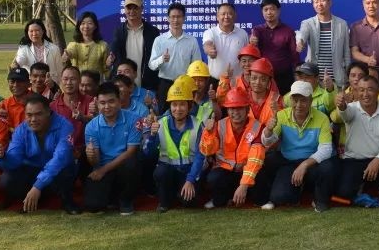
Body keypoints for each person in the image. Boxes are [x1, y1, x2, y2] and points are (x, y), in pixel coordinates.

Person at [0, 94, 80, 214]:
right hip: (32, 171)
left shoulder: (65, 126)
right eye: (29, 115)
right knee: (6, 180)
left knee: (65, 168)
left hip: (57, 171)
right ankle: (31, 200)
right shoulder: (20, 130)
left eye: (38, 114)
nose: (33, 119)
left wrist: (38, 186)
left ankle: (66, 200)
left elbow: (60, 158)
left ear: (48, 112)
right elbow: (14, 160)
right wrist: (2, 156)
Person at [260, 80, 335, 211]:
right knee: (279, 196)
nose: (299, 105)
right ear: (290, 100)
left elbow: (326, 149)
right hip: (288, 162)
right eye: (295, 100)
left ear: (311, 101)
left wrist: (304, 165)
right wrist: (268, 131)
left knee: (328, 166)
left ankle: (320, 199)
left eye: (303, 100)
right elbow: (267, 142)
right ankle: (291, 193)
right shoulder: (281, 115)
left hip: (312, 163)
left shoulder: (322, 118)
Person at [333, 74, 379, 208]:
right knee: (344, 192)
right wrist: (342, 106)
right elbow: (345, 114)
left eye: (370, 89)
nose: (365, 94)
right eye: (361, 90)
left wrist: (378, 160)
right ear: (356, 92)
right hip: (354, 160)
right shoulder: (352, 108)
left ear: (378, 92)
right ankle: (360, 187)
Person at [145, 75, 205, 212]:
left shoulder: (198, 125)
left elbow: (200, 156)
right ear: (170, 106)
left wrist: (190, 180)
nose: (178, 109)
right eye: (174, 104)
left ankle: (180, 193)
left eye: (182, 104)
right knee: (160, 173)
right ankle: (165, 200)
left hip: (188, 171)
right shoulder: (160, 124)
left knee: (189, 203)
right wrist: (152, 136)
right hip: (167, 171)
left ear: (189, 106)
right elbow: (148, 154)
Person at [199, 87, 266, 208]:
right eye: (232, 108)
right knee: (213, 178)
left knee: (260, 175)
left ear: (247, 109)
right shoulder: (219, 125)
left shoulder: (257, 127)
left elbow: (255, 159)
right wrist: (208, 133)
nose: (235, 112)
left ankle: (258, 200)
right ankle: (222, 199)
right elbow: (207, 151)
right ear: (227, 110)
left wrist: (244, 185)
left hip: (247, 170)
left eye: (240, 108)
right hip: (226, 170)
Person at [82, 82, 143, 215]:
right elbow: (95, 162)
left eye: (111, 101)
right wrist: (91, 156)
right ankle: (112, 198)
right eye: (102, 103)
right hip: (103, 167)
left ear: (119, 101)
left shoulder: (134, 119)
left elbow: (131, 151)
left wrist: (103, 170)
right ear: (97, 104)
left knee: (132, 163)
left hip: (123, 166)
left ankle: (126, 200)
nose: (107, 106)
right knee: (93, 205)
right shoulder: (91, 127)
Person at [296, 0, 351, 89]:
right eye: (316, 2)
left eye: (322, 1)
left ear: (330, 2)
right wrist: (300, 42)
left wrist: (348, 76)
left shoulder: (342, 24)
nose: (319, 4)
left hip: (337, 79)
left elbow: (346, 52)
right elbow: (302, 35)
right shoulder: (307, 23)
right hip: (314, 80)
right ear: (313, 5)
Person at [149, 1, 202, 102]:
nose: (176, 20)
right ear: (168, 18)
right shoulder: (159, 40)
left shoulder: (192, 40)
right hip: (165, 84)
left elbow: (196, 64)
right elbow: (151, 65)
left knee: (185, 111)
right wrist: (161, 59)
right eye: (173, 17)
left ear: (184, 18)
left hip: (185, 84)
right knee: (163, 112)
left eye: (179, 17)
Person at [109, 0, 161, 94]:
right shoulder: (118, 31)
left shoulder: (153, 32)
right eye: (129, 8)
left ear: (142, 9)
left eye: (135, 8)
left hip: (147, 84)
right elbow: (114, 57)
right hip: (123, 85)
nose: (132, 11)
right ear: (124, 10)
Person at [250, 0, 299, 95]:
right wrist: (251, 43)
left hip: (284, 77)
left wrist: (298, 75)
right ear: (262, 12)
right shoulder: (257, 30)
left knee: (283, 101)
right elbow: (253, 50)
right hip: (263, 76)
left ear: (278, 10)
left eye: (272, 9)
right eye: (265, 10)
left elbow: (294, 55)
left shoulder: (288, 31)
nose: (269, 12)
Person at [202, 2, 249, 84]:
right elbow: (207, 44)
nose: (226, 17)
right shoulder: (210, 32)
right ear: (217, 16)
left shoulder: (242, 33)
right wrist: (210, 51)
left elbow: (247, 55)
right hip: (215, 81)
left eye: (229, 14)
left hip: (237, 82)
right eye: (223, 14)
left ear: (235, 16)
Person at [12, 19, 63, 84]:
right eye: (31, 31)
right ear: (27, 33)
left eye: (37, 30)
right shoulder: (23, 48)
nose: (34, 34)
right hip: (32, 85)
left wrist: (56, 86)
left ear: (43, 31)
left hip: (50, 84)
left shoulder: (54, 48)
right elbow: (21, 59)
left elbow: (59, 70)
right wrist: (16, 64)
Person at [63, 11, 110, 79]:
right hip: (78, 82)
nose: (86, 26)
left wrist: (108, 65)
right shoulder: (73, 45)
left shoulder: (103, 45)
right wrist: (67, 54)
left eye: (90, 23)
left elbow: (106, 69)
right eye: (83, 23)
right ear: (79, 26)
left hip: (96, 83)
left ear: (95, 26)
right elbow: (71, 51)